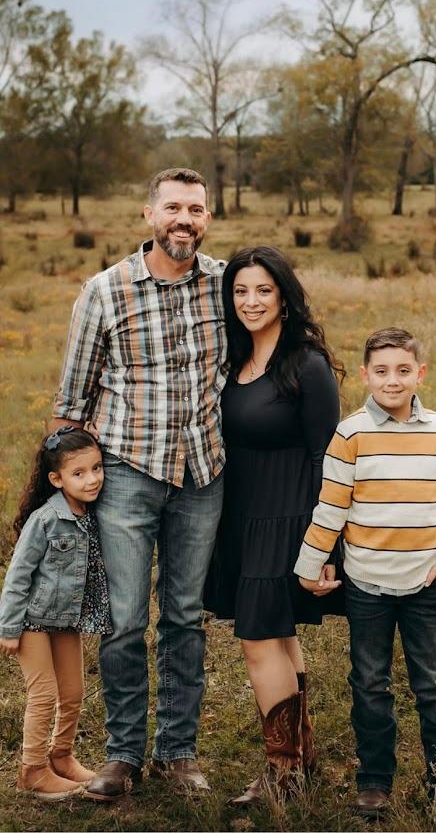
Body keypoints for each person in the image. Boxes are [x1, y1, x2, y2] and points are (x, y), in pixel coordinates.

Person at [49, 168, 226, 801]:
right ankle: (123, 753)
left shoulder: (226, 285)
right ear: (148, 214)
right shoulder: (105, 290)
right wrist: (60, 498)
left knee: (183, 615)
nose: (186, 219)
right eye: (174, 207)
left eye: (197, 210)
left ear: (208, 218)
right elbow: (73, 399)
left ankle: (178, 752)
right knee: (125, 621)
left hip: (202, 473)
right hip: (125, 472)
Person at [295, 327, 436, 824]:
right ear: (364, 376)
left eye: (402, 370)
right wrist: (308, 567)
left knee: (434, 684)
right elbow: (330, 508)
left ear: (419, 373)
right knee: (370, 683)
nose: (392, 381)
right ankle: (374, 781)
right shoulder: (350, 433)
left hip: (426, 583)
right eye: (381, 371)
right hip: (368, 585)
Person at [205, 245, 344, 804]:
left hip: (291, 519)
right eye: (240, 290)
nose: (251, 301)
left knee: (258, 641)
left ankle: (282, 775)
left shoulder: (305, 364)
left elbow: (326, 458)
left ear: (284, 295)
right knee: (279, 636)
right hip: (241, 518)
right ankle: (301, 763)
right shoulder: (232, 359)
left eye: (263, 289)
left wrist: (324, 544)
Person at [0, 426, 111, 801]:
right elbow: (17, 577)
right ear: (56, 479)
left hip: (66, 621)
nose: (92, 479)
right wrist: (9, 628)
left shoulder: (95, 513)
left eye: (96, 468)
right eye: (78, 473)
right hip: (32, 621)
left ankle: (61, 757)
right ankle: (31, 770)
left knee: (74, 692)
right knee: (44, 694)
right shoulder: (45, 520)